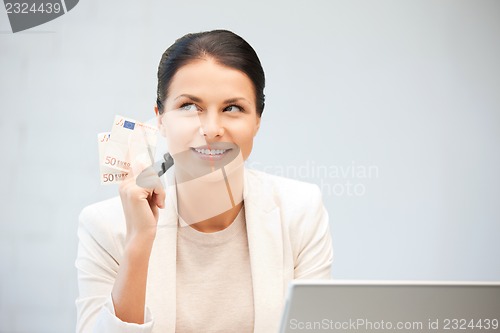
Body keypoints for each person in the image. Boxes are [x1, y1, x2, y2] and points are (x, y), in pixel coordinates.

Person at [75, 29, 333, 333]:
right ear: (160, 118)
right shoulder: (104, 226)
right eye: (189, 106)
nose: (211, 129)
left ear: (257, 121)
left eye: (232, 108)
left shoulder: (300, 211)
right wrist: (138, 244)